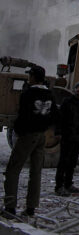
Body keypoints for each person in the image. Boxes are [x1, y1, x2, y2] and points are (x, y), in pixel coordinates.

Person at [3, 65, 59, 218]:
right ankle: (31, 208)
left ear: (33, 77)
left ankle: (10, 207)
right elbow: (54, 116)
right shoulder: (50, 94)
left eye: (30, 75)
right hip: (42, 136)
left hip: (28, 135)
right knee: (36, 172)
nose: (29, 77)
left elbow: (23, 115)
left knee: (13, 169)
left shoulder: (28, 94)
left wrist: (19, 131)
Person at [54, 82, 79, 196]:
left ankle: (68, 184)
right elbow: (60, 118)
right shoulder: (67, 102)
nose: (78, 90)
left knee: (72, 162)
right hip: (67, 135)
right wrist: (58, 132)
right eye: (77, 88)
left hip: (78, 137)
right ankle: (59, 186)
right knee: (63, 161)